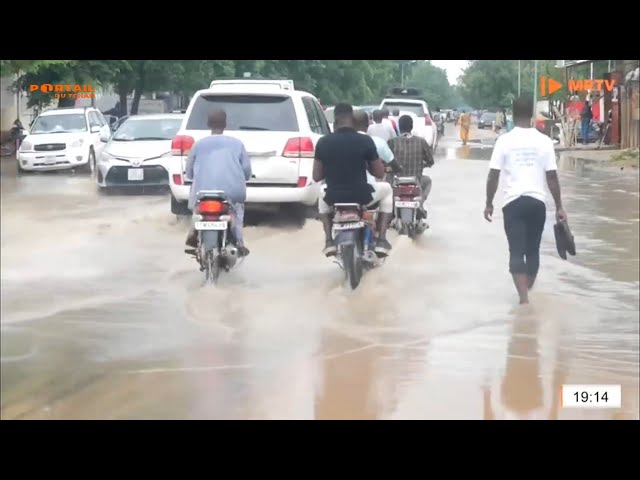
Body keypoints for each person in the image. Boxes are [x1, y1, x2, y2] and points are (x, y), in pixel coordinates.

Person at [484, 95, 567, 305]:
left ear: (512, 113)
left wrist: (488, 202)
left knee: (516, 251)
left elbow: (493, 175)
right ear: (531, 114)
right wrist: (559, 206)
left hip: (512, 204)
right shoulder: (544, 141)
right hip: (537, 203)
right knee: (532, 250)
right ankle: (527, 288)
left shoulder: (504, 140)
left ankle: (523, 299)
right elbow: (552, 178)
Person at [314, 103, 394, 257]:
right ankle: (382, 239)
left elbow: (317, 176)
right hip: (362, 197)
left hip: (333, 197)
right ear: (352, 120)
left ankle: (329, 241)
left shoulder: (323, 142)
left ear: (335, 122)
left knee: (321, 192)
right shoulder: (365, 141)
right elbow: (378, 172)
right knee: (388, 190)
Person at [184, 109, 252, 257]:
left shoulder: (198, 145)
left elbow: (188, 173)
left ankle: (193, 232)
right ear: (225, 124)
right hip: (232, 193)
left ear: (208, 124)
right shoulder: (237, 144)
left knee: (196, 210)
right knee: (237, 212)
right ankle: (239, 242)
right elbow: (246, 171)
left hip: (202, 193)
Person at [387, 115, 434, 220]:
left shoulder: (392, 142)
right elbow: (430, 161)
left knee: (386, 183)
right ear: (411, 127)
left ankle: (389, 210)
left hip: (397, 181)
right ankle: (420, 202)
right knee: (428, 181)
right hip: (415, 180)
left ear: (399, 127)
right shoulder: (421, 142)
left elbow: (386, 161)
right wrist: (423, 164)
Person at [353, 110, 401, 182]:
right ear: (367, 125)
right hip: (372, 186)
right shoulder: (379, 142)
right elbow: (393, 166)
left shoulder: (341, 143)